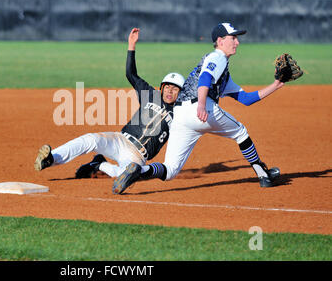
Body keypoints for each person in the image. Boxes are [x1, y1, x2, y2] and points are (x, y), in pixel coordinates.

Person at [113, 22, 284, 194]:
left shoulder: (223, 72)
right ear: (220, 41)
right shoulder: (217, 57)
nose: (237, 42)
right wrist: (201, 105)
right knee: (241, 132)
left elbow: (246, 98)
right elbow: (205, 78)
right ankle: (263, 175)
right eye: (233, 38)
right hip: (201, 108)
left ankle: (138, 170)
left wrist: (276, 85)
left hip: (180, 116)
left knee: (170, 170)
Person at [34, 28, 185, 178]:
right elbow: (131, 74)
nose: (170, 91)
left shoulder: (181, 112)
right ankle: (51, 158)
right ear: (162, 87)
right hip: (120, 140)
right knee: (90, 139)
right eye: (167, 87)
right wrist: (131, 45)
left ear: (180, 93)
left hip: (137, 157)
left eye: (175, 89)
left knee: (126, 174)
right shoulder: (150, 94)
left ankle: (99, 164)